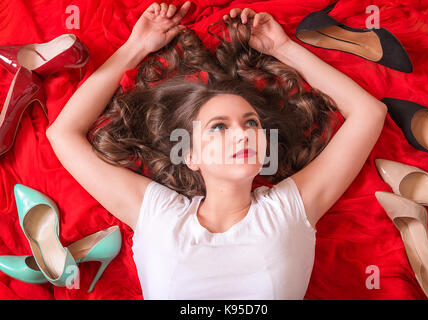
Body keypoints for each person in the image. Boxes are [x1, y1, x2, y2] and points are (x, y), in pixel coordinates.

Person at [46, 2, 387, 299]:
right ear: (189, 154)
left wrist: (282, 47)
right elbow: (62, 134)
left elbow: (369, 113)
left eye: (251, 123)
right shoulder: (157, 214)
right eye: (219, 127)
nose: (243, 134)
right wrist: (135, 47)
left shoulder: (290, 208)